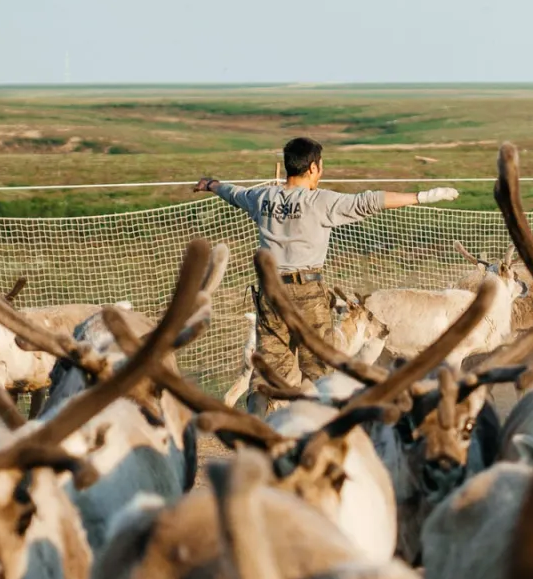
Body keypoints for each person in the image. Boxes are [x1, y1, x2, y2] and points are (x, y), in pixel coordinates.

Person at [195, 136, 459, 391]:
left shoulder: (261, 197)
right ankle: (317, 423)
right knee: (320, 371)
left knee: (272, 374)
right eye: (320, 166)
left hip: (271, 294)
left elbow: (233, 193)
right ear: (312, 167)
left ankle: (269, 423)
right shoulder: (320, 201)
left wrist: (210, 184)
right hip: (307, 294)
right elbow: (369, 202)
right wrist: (422, 196)